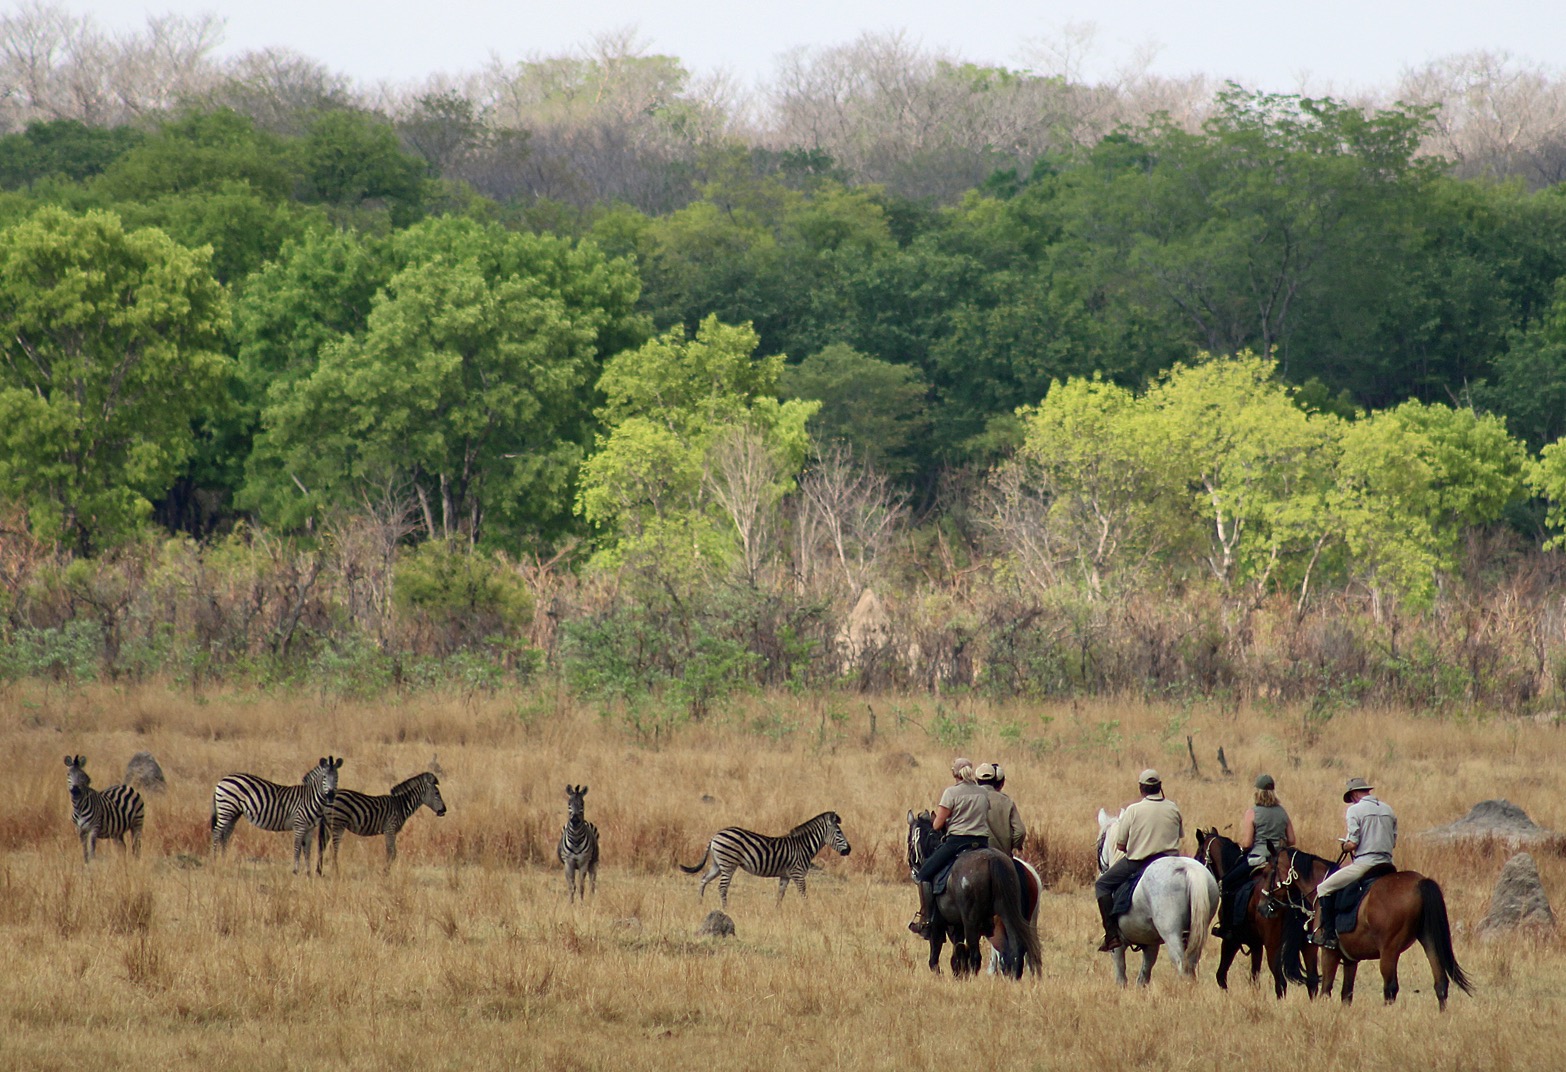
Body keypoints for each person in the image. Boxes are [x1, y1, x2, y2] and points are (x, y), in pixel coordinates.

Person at [1094, 769, 1183, 953]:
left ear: (1141, 788)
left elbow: (1120, 845)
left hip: (1139, 861)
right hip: (1171, 861)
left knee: (1102, 884)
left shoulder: (1133, 810)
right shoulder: (1173, 808)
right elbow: (1179, 836)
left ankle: (1112, 935)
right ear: (1159, 787)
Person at [1308, 776, 1396, 950]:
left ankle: (1329, 936)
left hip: (1365, 864)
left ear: (1354, 793)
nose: (1351, 802)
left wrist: (1345, 845)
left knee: (1323, 888)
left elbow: (1353, 843)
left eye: (1351, 798)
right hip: (1387, 864)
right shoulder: (1388, 809)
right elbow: (1393, 841)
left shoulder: (1355, 810)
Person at [909, 757, 993, 938]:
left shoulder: (951, 793)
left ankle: (927, 919)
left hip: (957, 842)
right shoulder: (983, 793)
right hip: (983, 843)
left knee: (925, 873)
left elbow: (937, 825)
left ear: (954, 774)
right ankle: (989, 920)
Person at [1214, 773, 1296, 939]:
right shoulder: (1282, 812)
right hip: (1279, 861)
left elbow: (1247, 844)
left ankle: (1228, 926)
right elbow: (1292, 840)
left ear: (1257, 792)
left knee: (1228, 883)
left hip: (1257, 859)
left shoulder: (1252, 812)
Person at [976, 762, 1026, 856]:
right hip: (1004, 855)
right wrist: (1011, 846)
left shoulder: (970, 800)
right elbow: (1020, 831)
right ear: (995, 780)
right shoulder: (1007, 801)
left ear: (976, 780)